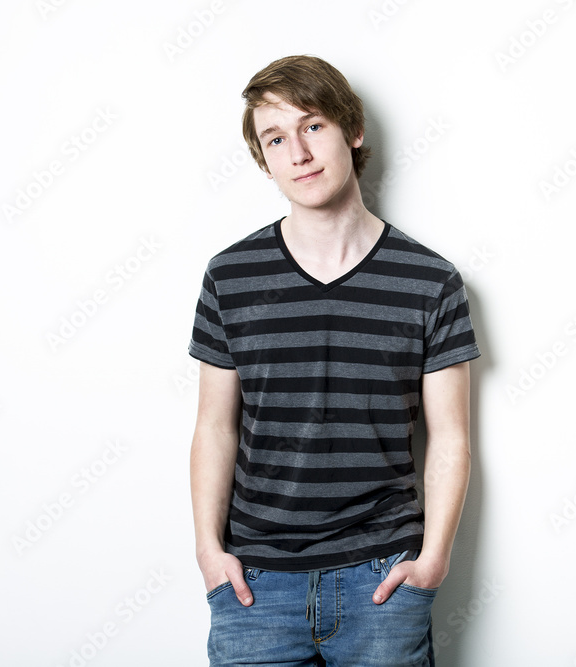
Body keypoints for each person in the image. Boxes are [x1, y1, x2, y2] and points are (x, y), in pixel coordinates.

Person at [188, 54, 479, 666]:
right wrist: (209, 552)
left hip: (383, 581)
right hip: (255, 587)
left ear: (353, 130)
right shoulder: (230, 277)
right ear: (263, 158)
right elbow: (214, 425)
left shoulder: (430, 281)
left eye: (313, 125)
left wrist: (433, 561)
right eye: (276, 137)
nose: (298, 151)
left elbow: (450, 436)